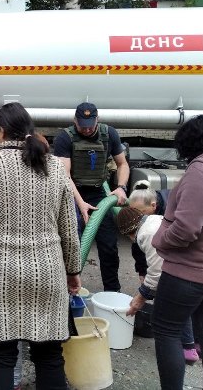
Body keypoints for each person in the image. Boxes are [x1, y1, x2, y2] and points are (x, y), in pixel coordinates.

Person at [0, 102, 81, 390]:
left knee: (0, 356)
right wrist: (73, 270)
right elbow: (69, 227)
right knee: (50, 356)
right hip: (49, 273)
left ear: (1, 131)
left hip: (0, 274)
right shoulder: (53, 165)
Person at [151, 114, 203, 390]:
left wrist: (160, 240)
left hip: (188, 273)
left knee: (167, 330)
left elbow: (187, 229)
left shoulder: (200, 172)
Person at [53, 102, 129, 292]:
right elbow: (64, 176)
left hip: (98, 194)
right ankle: (66, 292)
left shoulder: (109, 133)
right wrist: (80, 204)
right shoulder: (65, 137)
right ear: (74, 121)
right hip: (71, 194)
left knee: (109, 246)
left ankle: (112, 293)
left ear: (97, 119)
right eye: (82, 124)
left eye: (90, 124)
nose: (86, 129)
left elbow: (122, 164)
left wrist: (120, 187)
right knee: (72, 246)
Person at [115, 207, 199, 364]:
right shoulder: (155, 220)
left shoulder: (146, 234)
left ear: (129, 233)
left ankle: (187, 348)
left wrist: (142, 296)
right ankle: (197, 343)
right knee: (192, 306)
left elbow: (156, 272)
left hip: (185, 271)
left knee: (173, 310)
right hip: (197, 265)